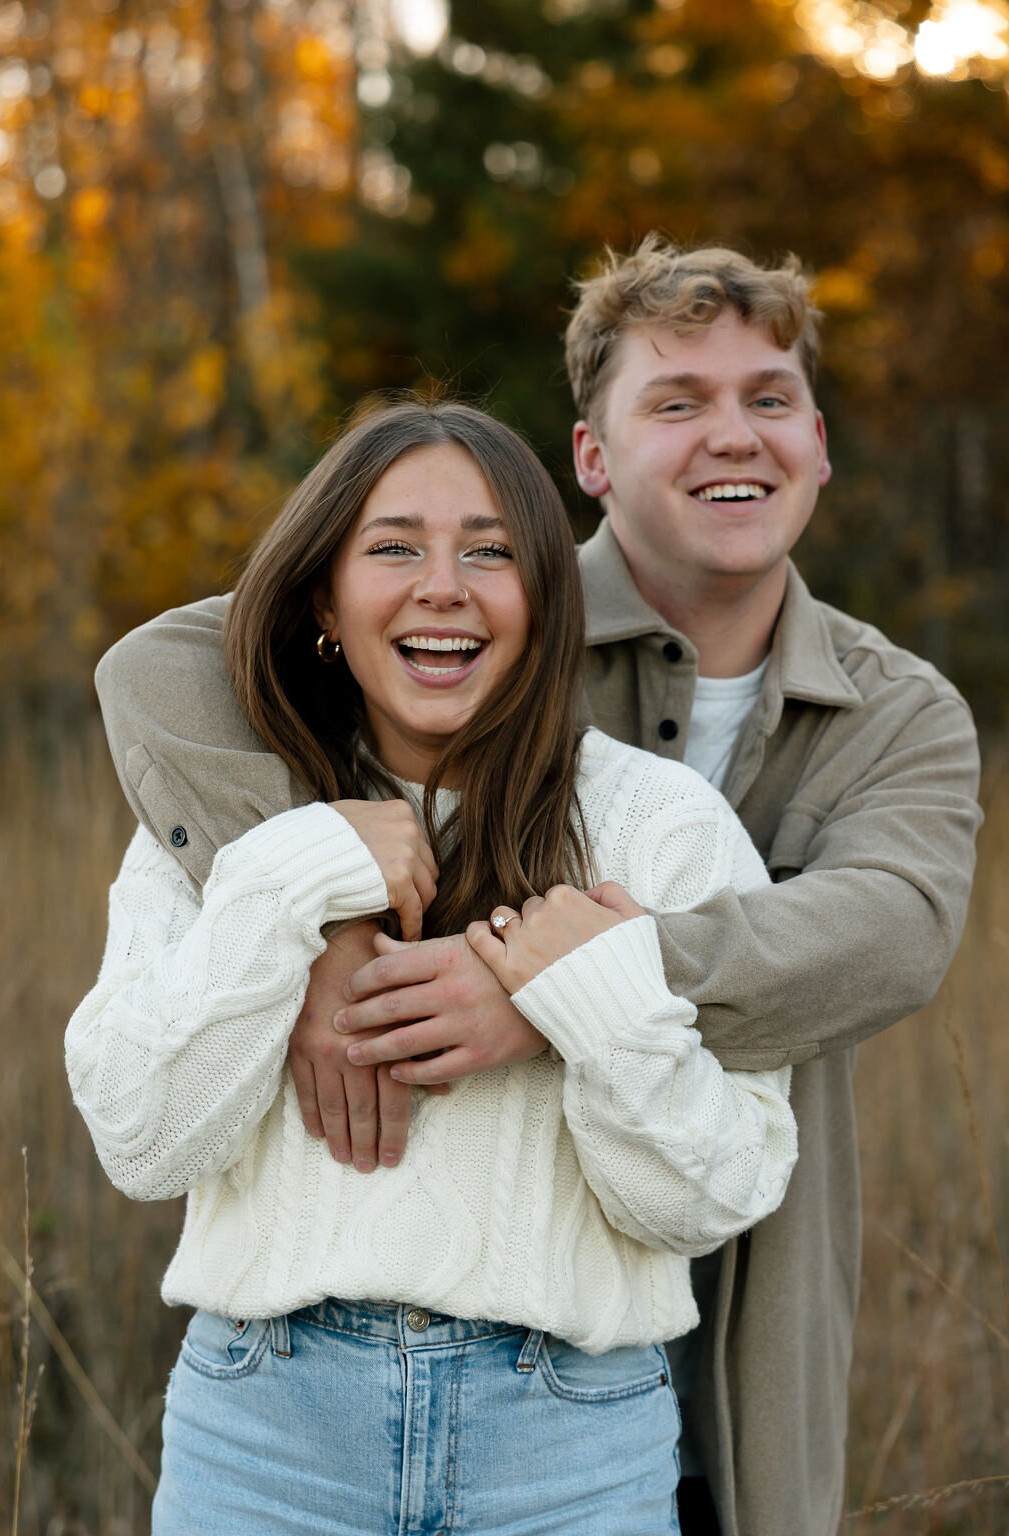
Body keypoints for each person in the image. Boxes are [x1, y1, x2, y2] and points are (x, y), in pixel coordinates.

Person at [92, 241, 982, 1536]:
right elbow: (171, 662)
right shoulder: (473, 616)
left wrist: (562, 985)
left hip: (639, 1343)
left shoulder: (897, 713)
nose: (732, 434)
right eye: (677, 401)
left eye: (769, 397)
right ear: (592, 459)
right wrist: (317, 900)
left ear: (822, 440)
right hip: (293, 1406)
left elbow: (895, 933)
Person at [67, 400, 800, 1535]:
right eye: (394, 546)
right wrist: (292, 881)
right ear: (324, 597)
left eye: (491, 551)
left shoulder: (664, 828)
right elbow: (141, 1139)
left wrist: (595, 1004)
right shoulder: (227, 827)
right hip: (268, 1440)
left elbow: (711, 1200)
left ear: (547, 600)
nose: (443, 586)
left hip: (570, 1448)